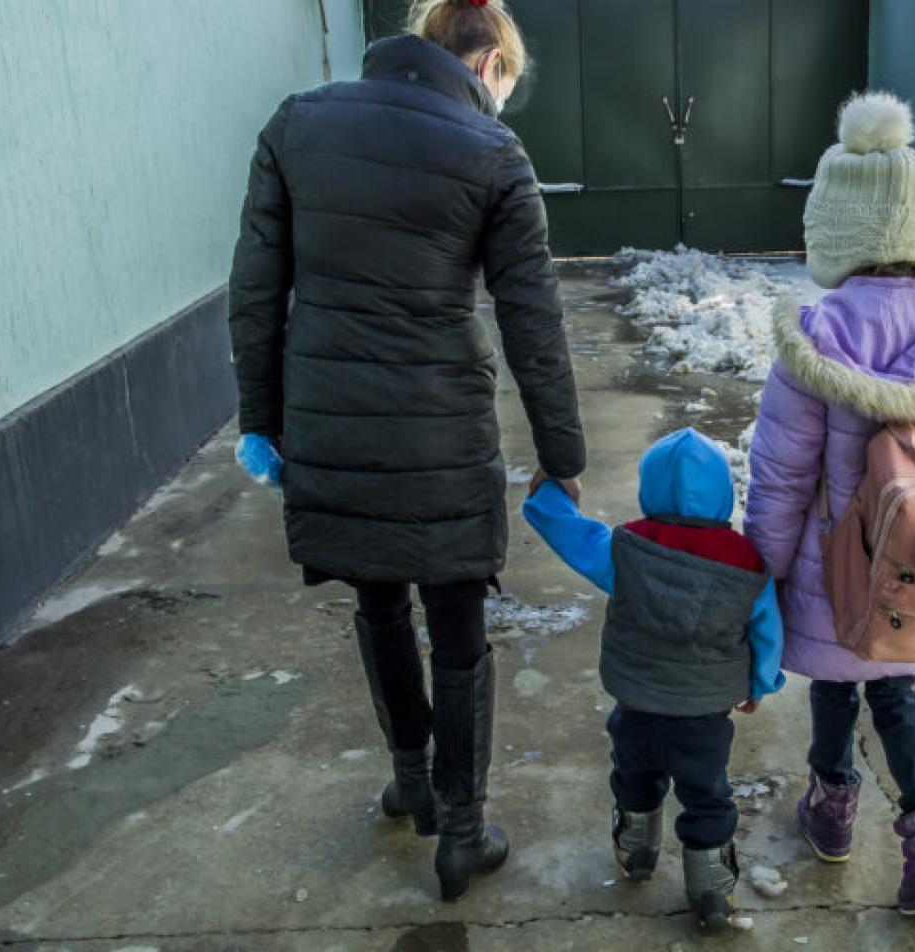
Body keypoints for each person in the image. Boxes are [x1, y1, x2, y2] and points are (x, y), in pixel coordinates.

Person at [226, 0, 585, 903]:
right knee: (458, 625)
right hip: (442, 428)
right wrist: (561, 453)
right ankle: (460, 831)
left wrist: (263, 424)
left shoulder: (297, 125)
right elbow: (532, 320)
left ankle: (413, 778)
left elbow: (256, 291)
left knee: (379, 597)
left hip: (331, 418)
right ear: (491, 61)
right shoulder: (494, 153)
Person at [744, 92, 915, 918]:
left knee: (833, 683)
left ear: (837, 225)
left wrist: (762, 573)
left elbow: (783, 475)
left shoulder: (815, 337)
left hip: (834, 564)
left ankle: (833, 805)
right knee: (896, 694)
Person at [522, 429, 785, 930]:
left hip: (637, 702)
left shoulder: (627, 547)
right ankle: (709, 887)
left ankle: (636, 849)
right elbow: (766, 629)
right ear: (721, 493)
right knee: (707, 791)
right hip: (705, 715)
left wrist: (548, 493)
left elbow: (571, 535)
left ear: (649, 489)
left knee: (634, 775)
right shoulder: (746, 562)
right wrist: (760, 683)